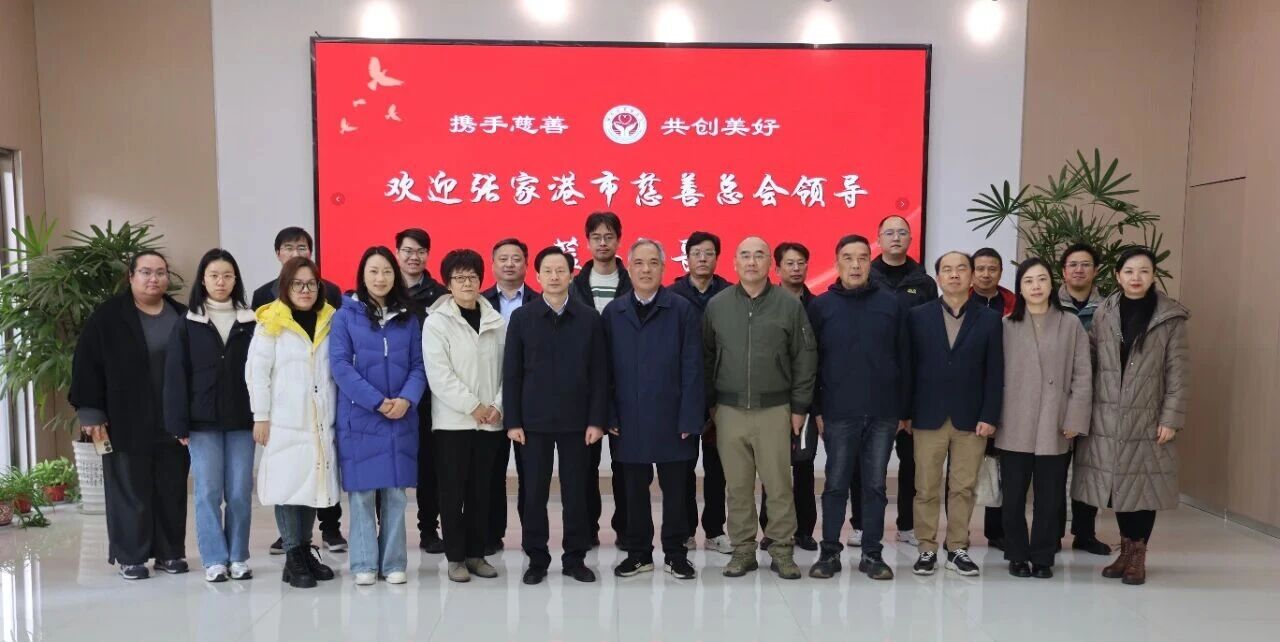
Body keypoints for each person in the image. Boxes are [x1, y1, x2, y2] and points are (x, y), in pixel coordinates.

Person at [703, 236, 817, 580]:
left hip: (775, 409)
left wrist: (799, 407)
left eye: (759, 256)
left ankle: (782, 550)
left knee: (779, 485)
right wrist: (712, 406)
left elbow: (805, 358)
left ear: (770, 263)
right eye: (745, 256)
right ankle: (742, 551)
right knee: (737, 487)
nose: (752, 262)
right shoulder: (718, 305)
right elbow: (705, 357)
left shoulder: (789, 305)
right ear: (734, 263)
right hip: (729, 410)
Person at [71, 251, 190, 580]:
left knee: (171, 488)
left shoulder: (182, 315)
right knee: (128, 489)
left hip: (173, 420)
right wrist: (91, 412)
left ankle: (170, 553)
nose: (154, 279)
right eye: (146, 272)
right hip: (124, 419)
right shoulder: (108, 317)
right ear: (131, 276)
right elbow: (86, 365)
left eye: (161, 272)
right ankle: (131, 556)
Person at [1073, 247, 1189, 586]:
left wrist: (1171, 418)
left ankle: (1138, 555)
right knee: (1120, 486)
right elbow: (1090, 359)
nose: (1136, 278)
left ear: (1153, 276)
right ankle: (1125, 551)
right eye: (1129, 271)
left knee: (1143, 485)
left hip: (1148, 416)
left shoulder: (1170, 318)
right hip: (1107, 414)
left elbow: (1178, 372)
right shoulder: (1104, 313)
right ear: (1117, 275)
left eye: (1144, 271)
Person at [806, 235, 911, 581]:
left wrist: (903, 410)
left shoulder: (891, 304)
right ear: (836, 263)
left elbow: (904, 357)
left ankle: (872, 554)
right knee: (835, 484)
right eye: (848, 258)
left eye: (863, 258)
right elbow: (812, 363)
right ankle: (829, 553)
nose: (855, 265)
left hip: (883, 412)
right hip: (838, 412)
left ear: (870, 262)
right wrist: (817, 409)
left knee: (875, 486)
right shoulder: (822, 306)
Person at [504, 247, 608, 585]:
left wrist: (597, 420)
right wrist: (513, 421)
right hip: (532, 423)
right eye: (547, 270)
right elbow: (512, 373)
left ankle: (575, 558)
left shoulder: (589, 318)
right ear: (537, 276)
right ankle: (537, 558)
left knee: (576, 493)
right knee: (533, 493)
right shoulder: (522, 318)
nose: (553, 276)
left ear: (571, 275)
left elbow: (600, 373)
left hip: (578, 422)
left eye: (560, 270)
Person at [603, 239, 704, 580]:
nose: (646, 270)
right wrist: (609, 414)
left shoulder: (682, 309)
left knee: (677, 491)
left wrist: (691, 416)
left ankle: (676, 554)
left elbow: (693, 366)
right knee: (632, 490)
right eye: (639, 263)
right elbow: (604, 370)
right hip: (627, 418)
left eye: (653, 263)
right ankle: (638, 553)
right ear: (629, 269)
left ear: (663, 268)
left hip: (673, 417)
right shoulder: (614, 312)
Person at [330, 246, 426, 585]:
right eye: (373, 271)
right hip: (361, 418)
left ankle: (394, 562)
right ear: (362, 275)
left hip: (400, 417)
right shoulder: (345, 316)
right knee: (362, 495)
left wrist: (406, 399)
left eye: (386, 271)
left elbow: (419, 365)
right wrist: (377, 402)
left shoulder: (408, 317)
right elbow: (340, 366)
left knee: (396, 494)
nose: (380, 278)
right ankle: (364, 564)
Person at [250, 226, 346, 555]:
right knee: (288, 487)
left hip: (319, 422)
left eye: (311, 284)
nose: (305, 290)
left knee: (312, 487)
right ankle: (294, 556)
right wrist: (261, 416)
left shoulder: (331, 320)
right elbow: (257, 374)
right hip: (285, 422)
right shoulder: (270, 323)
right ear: (285, 287)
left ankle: (305, 552)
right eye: (297, 284)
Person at [907, 251, 1003, 577]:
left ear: (971, 276)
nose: (954, 275)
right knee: (926, 487)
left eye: (961, 268)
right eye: (947, 270)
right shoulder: (918, 316)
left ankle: (957, 548)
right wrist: (906, 412)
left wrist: (990, 414)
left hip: (971, 418)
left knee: (964, 487)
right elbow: (909, 367)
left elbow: (995, 372)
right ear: (938, 278)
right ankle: (926, 548)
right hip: (927, 415)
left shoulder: (989, 319)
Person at [163, 249, 257, 582]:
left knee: (240, 493)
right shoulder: (188, 322)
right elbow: (175, 375)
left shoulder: (251, 321)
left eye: (227, 276)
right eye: (214, 276)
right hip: (201, 423)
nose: (221, 282)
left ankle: (238, 556)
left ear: (236, 280)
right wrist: (178, 423)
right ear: (203, 280)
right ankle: (214, 559)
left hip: (243, 420)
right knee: (207, 492)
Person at [997, 257, 1092, 579]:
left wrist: (1075, 418)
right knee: (1012, 497)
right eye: (1028, 281)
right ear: (1020, 288)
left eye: (1041, 279)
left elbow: (1082, 375)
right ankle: (1016, 554)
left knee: (1050, 498)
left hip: (1056, 421)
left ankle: (1042, 556)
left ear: (1052, 284)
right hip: (1014, 421)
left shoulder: (1070, 324)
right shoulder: (1006, 325)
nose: (1036, 286)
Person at [848, 215, 937, 549]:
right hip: (873, 382)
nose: (896, 237)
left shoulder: (924, 282)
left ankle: (907, 525)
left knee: (911, 460)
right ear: (878, 238)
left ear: (911, 238)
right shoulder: (865, 276)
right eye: (889, 232)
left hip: (913, 380)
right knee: (866, 461)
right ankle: (861, 523)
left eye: (902, 232)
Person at [423, 249, 507, 583]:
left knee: (481, 492)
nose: (466, 283)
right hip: (453, 423)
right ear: (448, 283)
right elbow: (439, 375)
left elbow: (508, 371)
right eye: (459, 277)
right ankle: (455, 557)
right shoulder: (436, 322)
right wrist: (474, 406)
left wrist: (497, 406)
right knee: (452, 493)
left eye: (472, 276)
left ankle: (476, 554)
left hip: (490, 424)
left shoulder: (496, 321)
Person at [570, 212, 632, 548]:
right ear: (588, 241)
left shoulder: (633, 282)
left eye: (609, 236)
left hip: (626, 387)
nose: (603, 243)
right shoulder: (574, 285)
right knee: (585, 465)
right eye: (596, 237)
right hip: (584, 388)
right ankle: (587, 528)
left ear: (619, 240)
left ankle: (626, 529)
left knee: (626, 465)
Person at [670, 231, 733, 555]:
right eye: (697, 253)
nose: (703, 259)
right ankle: (684, 531)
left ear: (717, 258)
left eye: (709, 253)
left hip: (721, 395)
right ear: (687, 258)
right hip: (682, 395)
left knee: (717, 470)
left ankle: (714, 530)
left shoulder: (731, 294)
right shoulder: (672, 295)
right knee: (682, 467)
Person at [757, 242, 818, 552]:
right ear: (777, 269)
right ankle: (771, 529)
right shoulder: (765, 304)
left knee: (804, 465)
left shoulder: (818, 306)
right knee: (772, 465)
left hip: (806, 399)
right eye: (789, 263)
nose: (796, 268)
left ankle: (804, 530)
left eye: (801, 263)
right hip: (772, 399)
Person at [482, 237, 539, 555]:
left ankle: (531, 536)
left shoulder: (539, 301)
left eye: (516, 258)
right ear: (493, 265)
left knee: (530, 473)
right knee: (492, 472)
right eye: (502, 258)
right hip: (490, 396)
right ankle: (492, 534)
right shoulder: (479, 301)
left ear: (526, 265)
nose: (509, 264)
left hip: (528, 398)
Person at [1055, 242, 1111, 555]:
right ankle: (1051, 531)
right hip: (1057, 399)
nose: (1079, 270)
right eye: (1073, 264)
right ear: (1063, 271)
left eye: (1085, 264)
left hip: (1096, 399)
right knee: (1053, 469)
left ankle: (1085, 532)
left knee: (1089, 469)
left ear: (1096, 270)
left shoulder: (1109, 309)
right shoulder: (1049, 305)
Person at [395, 228, 446, 555]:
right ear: (397, 252)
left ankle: (429, 529)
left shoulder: (440, 295)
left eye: (421, 251)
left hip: (429, 393)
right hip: (390, 393)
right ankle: (388, 531)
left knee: (430, 466)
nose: (414, 257)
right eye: (408, 250)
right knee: (390, 464)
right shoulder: (384, 289)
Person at [967, 246, 1014, 549]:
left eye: (992, 268)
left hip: (1007, 392)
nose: (986, 274)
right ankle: (958, 532)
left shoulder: (1014, 304)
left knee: (1002, 466)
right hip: (969, 395)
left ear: (1000, 272)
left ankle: (997, 532)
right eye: (980, 268)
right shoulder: (960, 302)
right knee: (963, 470)